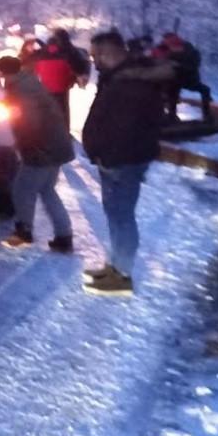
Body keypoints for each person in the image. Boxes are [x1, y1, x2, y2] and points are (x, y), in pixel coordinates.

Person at [81, 31, 175, 296]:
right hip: (113, 160)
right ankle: (115, 266)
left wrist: (109, 158)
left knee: (122, 217)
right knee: (115, 215)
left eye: (97, 55)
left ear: (111, 52)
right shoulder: (119, 77)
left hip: (123, 161)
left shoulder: (132, 83)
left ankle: (123, 275)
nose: (94, 61)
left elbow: (127, 128)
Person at [0, 56, 75, 252]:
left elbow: (30, 122)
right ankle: (64, 236)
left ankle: (24, 231)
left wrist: (24, 144)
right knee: (47, 190)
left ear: (4, 72)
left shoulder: (20, 89)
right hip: (55, 145)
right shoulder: (28, 82)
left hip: (41, 147)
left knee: (22, 189)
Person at [30, 28, 91, 130]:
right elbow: (76, 68)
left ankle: (50, 131)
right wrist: (74, 79)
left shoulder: (41, 53)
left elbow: (34, 68)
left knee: (48, 110)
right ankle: (64, 131)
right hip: (62, 87)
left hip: (46, 88)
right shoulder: (68, 52)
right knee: (63, 110)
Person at [155, 32, 213, 122]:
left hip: (189, 79)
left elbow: (193, 66)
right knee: (167, 91)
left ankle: (207, 116)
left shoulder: (191, 52)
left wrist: (178, 66)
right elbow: (158, 59)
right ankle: (170, 116)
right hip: (173, 80)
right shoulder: (166, 50)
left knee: (205, 90)